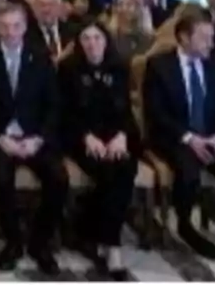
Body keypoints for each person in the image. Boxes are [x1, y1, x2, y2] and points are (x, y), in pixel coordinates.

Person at [142, 6, 215, 275]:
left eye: (211, 36)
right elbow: (156, 112)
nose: (211, 43)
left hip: (214, 138)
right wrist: (189, 138)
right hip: (175, 137)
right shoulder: (159, 66)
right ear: (183, 38)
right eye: (204, 37)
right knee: (187, 172)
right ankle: (185, 226)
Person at [0, 2, 67, 275]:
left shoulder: (40, 54)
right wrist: (0, 138)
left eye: (16, 26)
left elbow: (53, 104)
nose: (11, 32)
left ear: (25, 27)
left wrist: (38, 139)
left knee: (59, 178)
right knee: (1, 179)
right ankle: (12, 242)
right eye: (5, 26)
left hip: (34, 136)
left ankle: (39, 242)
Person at [58, 21, 139, 279]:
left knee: (124, 168)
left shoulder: (120, 67)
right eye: (86, 38)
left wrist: (122, 136)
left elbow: (127, 108)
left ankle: (102, 237)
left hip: (116, 134)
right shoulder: (68, 69)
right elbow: (64, 113)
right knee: (108, 171)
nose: (92, 44)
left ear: (106, 41)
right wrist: (86, 136)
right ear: (79, 43)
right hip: (80, 136)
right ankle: (111, 245)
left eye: (97, 38)